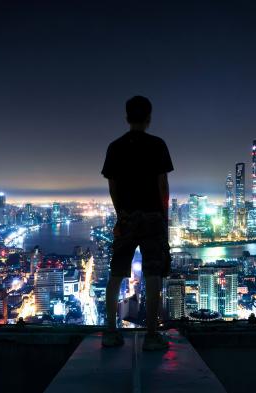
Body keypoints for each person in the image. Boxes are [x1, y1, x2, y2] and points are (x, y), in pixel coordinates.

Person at [100, 95, 173, 351]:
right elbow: (162, 185)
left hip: (127, 217)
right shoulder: (158, 145)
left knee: (116, 273)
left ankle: (110, 332)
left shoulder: (115, 147)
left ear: (127, 117)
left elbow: (113, 187)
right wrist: (164, 217)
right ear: (149, 118)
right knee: (154, 276)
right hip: (153, 217)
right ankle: (152, 336)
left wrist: (122, 213)